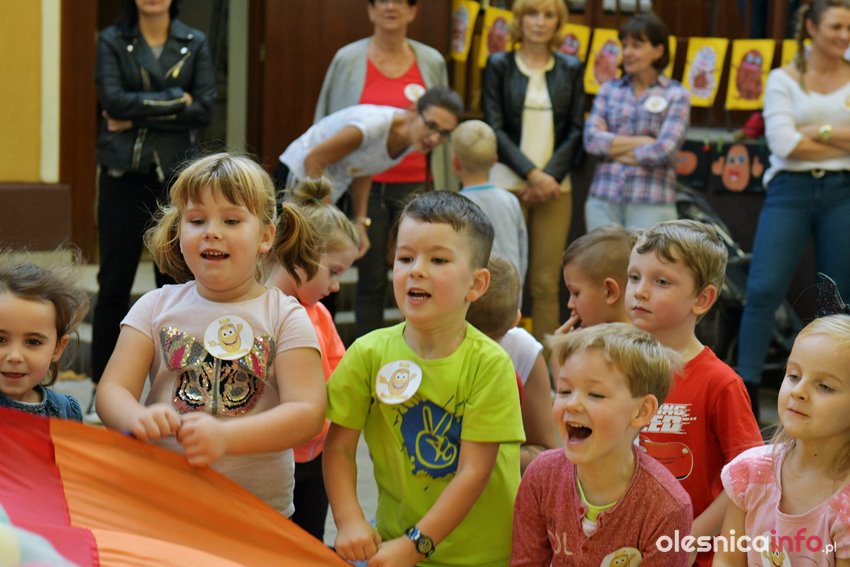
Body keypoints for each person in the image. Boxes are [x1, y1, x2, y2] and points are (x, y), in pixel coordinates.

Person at [95, 153, 327, 517]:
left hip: (255, 513)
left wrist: (226, 437)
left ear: (266, 236)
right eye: (197, 220)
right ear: (179, 231)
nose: (211, 231)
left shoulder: (285, 316)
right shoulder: (154, 307)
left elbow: (308, 412)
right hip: (162, 504)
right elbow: (112, 390)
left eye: (231, 220)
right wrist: (133, 417)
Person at [323, 191, 524, 565]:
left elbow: (473, 471)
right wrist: (349, 521)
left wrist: (414, 545)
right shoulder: (367, 353)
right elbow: (338, 449)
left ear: (476, 284)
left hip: (482, 557)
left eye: (439, 259)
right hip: (392, 541)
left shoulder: (490, 364)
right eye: (405, 258)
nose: (416, 270)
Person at [91, 0, 216, 408]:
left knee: (176, 281)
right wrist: (177, 101)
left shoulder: (194, 41)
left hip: (176, 176)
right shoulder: (113, 40)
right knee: (114, 281)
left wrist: (136, 113)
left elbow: (203, 108)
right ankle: (102, 386)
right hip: (124, 174)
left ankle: (179, 384)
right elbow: (113, 102)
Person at [738, 0, 850, 421]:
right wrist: (840, 138)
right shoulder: (783, 78)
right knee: (762, 290)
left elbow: (798, 138)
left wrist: (815, 130)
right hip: (789, 189)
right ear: (811, 27)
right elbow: (784, 143)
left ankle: (832, 389)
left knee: (837, 299)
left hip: (843, 190)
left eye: (849, 28)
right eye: (836, 26)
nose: (844, 36)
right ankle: (746, 391)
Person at [626, 220, 763, 567]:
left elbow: (750, 475)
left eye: (661, 281)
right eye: (634, 277)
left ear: (702, 299)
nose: (640, 291)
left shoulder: (720, 383)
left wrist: (691, 538)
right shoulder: (616, 369)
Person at [313, 0, 453, 338]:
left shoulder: (432, 61)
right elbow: (327, 122)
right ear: (371, 9)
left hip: (416, 182)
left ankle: (417, 348)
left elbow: (444, 124)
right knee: (371, 276)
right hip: (365, 184)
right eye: (383, 0)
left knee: (420, 272)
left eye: (400, 1)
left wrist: (446, 184)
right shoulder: (347, 59)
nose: (391, 7)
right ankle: (367, 353)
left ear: (413, 11)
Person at [512, 323, 692, 565]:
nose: (572, 404)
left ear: (642, 410)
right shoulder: (541, 476)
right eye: (564, 391)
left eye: (595, 394)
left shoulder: (668, 506)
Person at [482, 0, 584, 344]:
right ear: (519, 20)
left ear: (558, 22)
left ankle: (548, 365)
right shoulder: (499, 64)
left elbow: (576, 129)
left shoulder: (571, 67)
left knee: (545, 282)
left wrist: (547, 176)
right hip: (507, 185)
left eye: (548, 15)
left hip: (556, 187)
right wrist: (532, 174)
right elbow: (495, 127)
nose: (540, 22)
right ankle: (497, 359)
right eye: (532, 14)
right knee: (502, 279)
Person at [266, 177, 360, 540]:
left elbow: (342, 372)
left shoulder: (318, 313)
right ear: (300, 253)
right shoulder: (263, 313)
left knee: (310, 543)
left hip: (317, 456)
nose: (336, 286)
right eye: (333, 272)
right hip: (274, 457)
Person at [716, 315, 850, 566]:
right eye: (794, 376)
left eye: (824, 386)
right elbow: (728, 559)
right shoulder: (750, 472)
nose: (798, 391)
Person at [278, 86, 463, 260]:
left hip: (329, 187)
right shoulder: (371, 126)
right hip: (299, 176)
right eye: (431, 125)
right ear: (413, 109)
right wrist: (328, 215)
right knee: (295, 254)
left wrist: (360, 222)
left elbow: (365, 168)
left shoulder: (411, 140)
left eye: (444, 133)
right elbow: (313, 160)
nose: (434, 138)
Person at [583, 12, 690, 231]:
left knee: (648, 255)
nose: (627, 52)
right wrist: (644, 141)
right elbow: (591, 141)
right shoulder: (609, 90)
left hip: (652, 201)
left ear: (658, 50)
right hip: (603, 197)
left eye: (637, 46)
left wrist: (612, 148)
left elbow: (665, 150)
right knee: (599, 255)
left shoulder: (676, 94)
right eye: (625, 46)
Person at [466, 256, 558, 474]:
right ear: (516, 319)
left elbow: (547, 453)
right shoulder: (430, 341)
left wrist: (477, 451)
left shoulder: (521, 348)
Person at [0, 254, 89, 420]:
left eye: (33, 342)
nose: (15, 357)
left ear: (57, 348)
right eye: (1, 339)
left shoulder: (66, 410)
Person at [453, 120, 528, 285]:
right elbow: (522, 251)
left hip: (471, 291)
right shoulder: (510, 201)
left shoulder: (453, 206)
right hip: (510, 291)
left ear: (456, 163)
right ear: (495, 160)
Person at [555, 226, 633, 335]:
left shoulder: (598, 346)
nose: (570, 304)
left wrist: (561, 345)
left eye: (576, 293)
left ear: (610, 292)